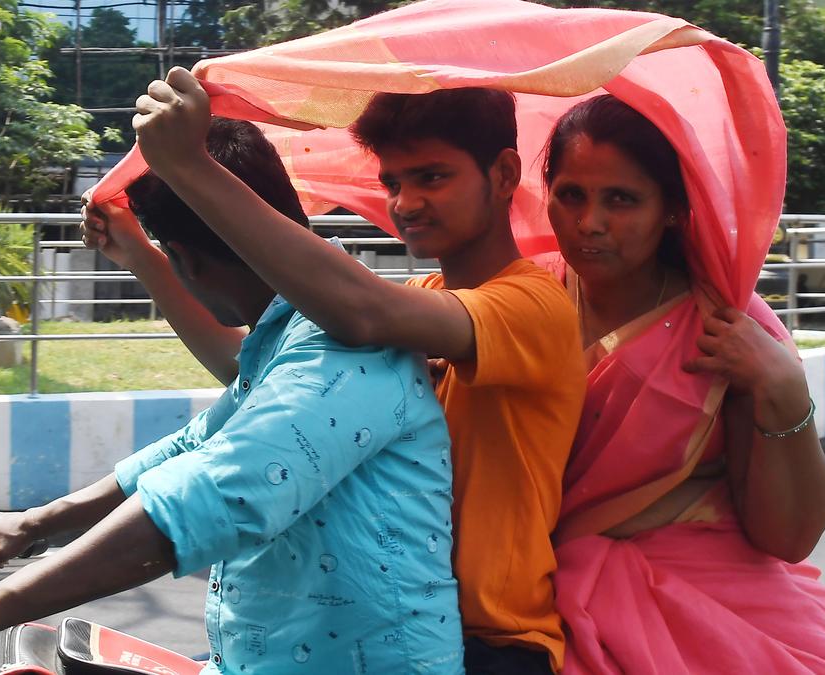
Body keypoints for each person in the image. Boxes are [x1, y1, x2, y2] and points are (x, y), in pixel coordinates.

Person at [0, 118, 467, 675]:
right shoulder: (292, 334)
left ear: (188, 262)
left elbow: (211, 493)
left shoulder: (345, 345)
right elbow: (196, 445)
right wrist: (30, 525)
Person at [128, 67, 587, 674]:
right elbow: (249, 360)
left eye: (432, 177)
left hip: (495, 641)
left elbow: (362, 310)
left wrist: (191, 168)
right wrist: (140, 254)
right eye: (393, 182)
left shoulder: (533, 306)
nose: (406, 203)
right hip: (400, 623)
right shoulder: (422, 299)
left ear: (504, 175)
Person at [541, 94, 825, 673]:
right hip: (523, 583)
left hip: (705, 607)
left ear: (671, 208)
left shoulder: (724, 326)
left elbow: (789, 537)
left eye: (621, 199)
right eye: (570, 195)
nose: (588, 223)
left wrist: (784, 390)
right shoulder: (522, 301)